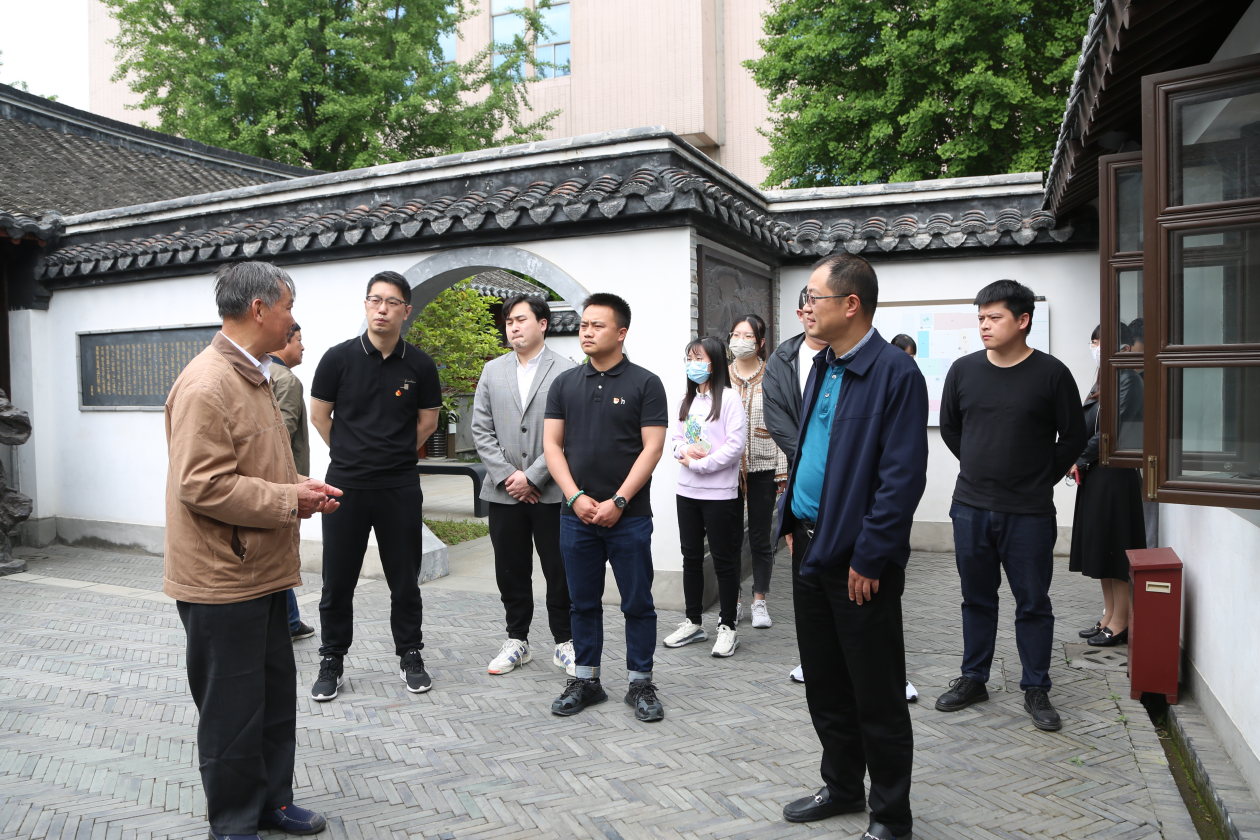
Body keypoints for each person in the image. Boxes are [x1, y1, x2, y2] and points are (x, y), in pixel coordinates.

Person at [165, 261, 342, 840]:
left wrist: (301, 489)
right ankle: (233, 823)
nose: (293, 320)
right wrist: (290, 499)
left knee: (271, 699)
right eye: (288, 308)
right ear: (260, 309)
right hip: (221, 577)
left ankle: (272, 803)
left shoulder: (257, 374)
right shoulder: (207, 384)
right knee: (231, 711)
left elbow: (258, 464)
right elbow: (202, 485)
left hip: (260, 570)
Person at [777, 253, 928, 840]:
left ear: (851, 304)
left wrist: (871, 555)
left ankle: (891, 816)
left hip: (858, 559)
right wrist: (791, 522)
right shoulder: (823, 364)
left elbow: (901, 478)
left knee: (876, 692)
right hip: (810, 547)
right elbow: (814, 450)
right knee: (825, 682)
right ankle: (842, 786)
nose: (805, 307)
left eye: (813, 297)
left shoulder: (895, 373)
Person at [936, 279, 1088, 732]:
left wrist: (1039, 476)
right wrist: (979, 465)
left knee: (1033, 602)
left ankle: (1036, 686)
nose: (984, 325)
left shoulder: (1052, 373)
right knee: (976, 598)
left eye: (994, 317)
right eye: (981, 317)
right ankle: (974, 677)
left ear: (1023, 320)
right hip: (970, 507)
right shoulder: (963, 370)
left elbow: (1074, 437)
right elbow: (950, 428)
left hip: (1029, 512)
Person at [308, 271, 443, 701]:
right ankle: (332, 659)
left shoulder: (420, 364)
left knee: (404, 580)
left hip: (399, 486)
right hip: (344, 487)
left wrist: (394, 454)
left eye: (391, 302)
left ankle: (410, 654)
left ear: (406, 310)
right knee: (337, 581)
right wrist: (351, 454)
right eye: (374, 300)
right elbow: (319, 416)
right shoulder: (337, 359)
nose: (382, 309)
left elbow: (428, 422)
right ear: (366, 305)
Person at [543, 293, 669, 722]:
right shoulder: (564, 384)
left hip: (628, 517)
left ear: (621, 333)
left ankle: (640, 683)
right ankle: (586, 681)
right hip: (575, 517)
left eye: (597, 325)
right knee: (581, 602)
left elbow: (652, 448)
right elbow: (552, 446)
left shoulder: (645, 383)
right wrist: (574, 497)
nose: (587, 331)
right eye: (583, 324)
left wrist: (619, 500)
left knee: (637, 602)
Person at [472, 293, 578, 676]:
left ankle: (565, 641)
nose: (513, 327)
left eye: (521, 319)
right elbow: (480, 429)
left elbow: (570, 432)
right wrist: (508, 476)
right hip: (503, 493)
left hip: (551, 492)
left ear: (543, 323)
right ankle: (517, 639)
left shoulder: (566, 370)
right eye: (509, 321)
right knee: (510, 569)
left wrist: (532, 476)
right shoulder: (492, 371)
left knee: (558, 569)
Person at [663, 335, 746, 656]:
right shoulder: (685, 401)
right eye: (689, 358)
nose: (692, 364)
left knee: (724, 561)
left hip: (720, 494)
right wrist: (684, 451)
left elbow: (735, 446)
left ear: (715, 363)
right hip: (687, 493)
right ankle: (693, 622)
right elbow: (675, 439)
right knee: (691, 558)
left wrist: (700, 465)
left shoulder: (730, 399)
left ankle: (728, 626)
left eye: (698, 358)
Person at [764, 287, 831, 684]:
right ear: (799, 313)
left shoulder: (850, 357)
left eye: (817, 307)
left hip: (849, 487)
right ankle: (815, 660)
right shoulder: (783, 358)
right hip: (803, 481)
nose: (811, 315)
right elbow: (776, 419)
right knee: (808, 579)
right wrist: (813, 455)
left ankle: (878, 668)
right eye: (806, 309)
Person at [1071, 324, 1145, 647]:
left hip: (1116, 476)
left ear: (1124, 348)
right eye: (1093, 341)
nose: (1096, 347)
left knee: (1115, 552)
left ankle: (1121, 622)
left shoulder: (1129, 380)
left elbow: (1110, 433)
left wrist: (1079, 459)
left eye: (1101, 342)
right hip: (1098, 474)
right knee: (1103, 549)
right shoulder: (1105, 379)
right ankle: (1108, 616)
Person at [728, 314, 788, 629]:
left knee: (761, 537)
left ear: (761, 342)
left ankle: (759, 599)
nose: (741, 341)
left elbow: (782, 426)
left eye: (748, 336)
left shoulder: (773, 377)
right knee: (730, 537)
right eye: (736, 334)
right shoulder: (722, 377)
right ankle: (734, 600)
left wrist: (782, 472)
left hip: (763, 466)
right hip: (726, 470)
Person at [268, 323, 315, 642]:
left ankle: (290, 619)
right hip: (285, 483)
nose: (302, 346)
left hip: (272, 485)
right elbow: (280, 437)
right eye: (298, 340)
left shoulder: (263, 373)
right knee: (281, 552)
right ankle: (289, 621)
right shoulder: (284, 379)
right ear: (283, 341)